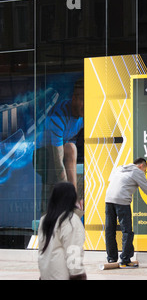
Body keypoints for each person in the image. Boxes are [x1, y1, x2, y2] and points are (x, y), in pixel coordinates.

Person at [35, 78, 84, 214]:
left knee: (70, 149)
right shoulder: (58, 116)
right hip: (42, 155)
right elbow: (58, 162)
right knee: (68, 151)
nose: (85, 106)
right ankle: (51, 212)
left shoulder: (84, 116)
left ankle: (70, 201)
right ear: (74, 98)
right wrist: (69, 196)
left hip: (61, 154)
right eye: (82, 100)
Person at [105, 158, 147, 267]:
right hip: (122, 201)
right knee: (127, 231)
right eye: (145, 169)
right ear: (141, 166)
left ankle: (111, 258)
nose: (144, 172)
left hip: (108, 199)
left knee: (110, 230)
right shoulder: (138, 172)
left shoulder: (120, 168)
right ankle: (125, 260)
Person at [38, 182, 86, 280]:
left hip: (46, 273)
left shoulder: (44, 219)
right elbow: (73, 250)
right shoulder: (70, 220)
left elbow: (41, 250)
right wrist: (78, 275)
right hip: (63, 275)